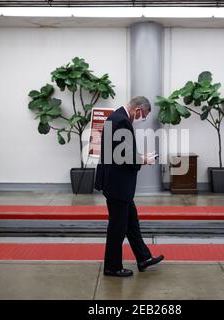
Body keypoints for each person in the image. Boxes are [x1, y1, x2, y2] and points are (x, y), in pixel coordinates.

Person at [94, 96, 164, 277]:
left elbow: (123, 150)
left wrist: (141, 156)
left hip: (117, 182)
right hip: (118, 183)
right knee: (117, 227)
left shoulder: (116, 117)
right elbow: (124, 155)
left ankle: (143, 258)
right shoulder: (121, 121)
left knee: (132, 223)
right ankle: (112, 267)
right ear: (138, 109)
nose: (142, 119)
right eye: (144, 116)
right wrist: (145, 160)